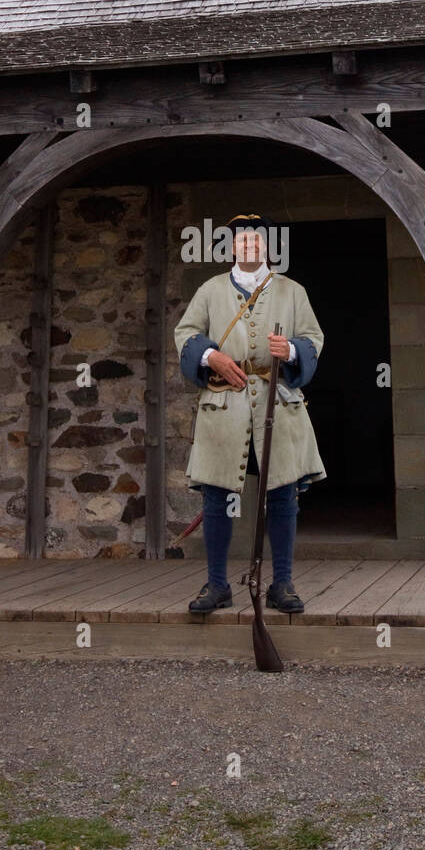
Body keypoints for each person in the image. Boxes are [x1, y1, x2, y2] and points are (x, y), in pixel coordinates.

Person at [174, 214, 326, 613]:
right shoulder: (209, 291)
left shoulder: (293, 291)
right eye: (241, 241)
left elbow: (313, 337)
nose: (249, 246)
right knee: (217, 494)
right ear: (231, 247)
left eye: (256, 241)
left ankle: (282, 583)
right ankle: (217, 584)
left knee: (282, 493)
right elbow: (185, 334)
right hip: (225, 404)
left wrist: (290, 351)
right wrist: (212, 357)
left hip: (278, 401)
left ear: (266, 247)